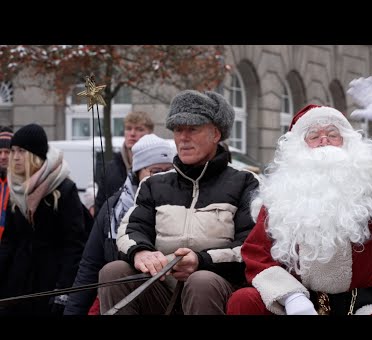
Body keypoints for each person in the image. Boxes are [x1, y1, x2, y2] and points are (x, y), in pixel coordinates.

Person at [227, 76, 372, 316]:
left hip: (359, 304)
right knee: (244, 300)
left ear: (348, 143)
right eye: (313, 136)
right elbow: (257, 254)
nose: (324, 142)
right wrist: (291, 297)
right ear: (298, 149)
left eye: (333, 134)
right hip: (296, 303)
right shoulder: (281, 198)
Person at [97, 90, 259, 315]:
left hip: (216, 291)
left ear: (215, 134)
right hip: (161, 292)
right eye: (178, 129)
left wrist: (200, 261)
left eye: (193, 129)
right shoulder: (153, 184)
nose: (183, 137)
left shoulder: (245, 183)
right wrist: (141, 252)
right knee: (114, 271)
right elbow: (130, 230)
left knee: (200, 281)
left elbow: (250, 246)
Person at [64, 134, 175, 315]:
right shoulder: (112, 208)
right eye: (155, 171)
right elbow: (90, 266)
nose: (163, 176)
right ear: (137, 172)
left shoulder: (184, 204)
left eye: (169, 170)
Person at [0, 124, 88, 315]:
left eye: (21, 151)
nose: (14, 157)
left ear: (35, 154)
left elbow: (74, 244)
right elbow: (9, 241)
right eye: (13, 150)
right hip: (18, 282)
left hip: (50, 282)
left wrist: (64, 290)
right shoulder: (16, 189)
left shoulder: (63, 189)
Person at [94, 111, 154, 214]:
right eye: (129, 128)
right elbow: (100, 207)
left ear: (150, 134)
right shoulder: (110, 168)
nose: (132, 133)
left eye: (139, 129)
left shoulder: (160, 166)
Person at [0, 126, 13, 241]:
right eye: (0, 152)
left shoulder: (21, 184)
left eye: (7, 152)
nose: (3, 157)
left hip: (12, 249)